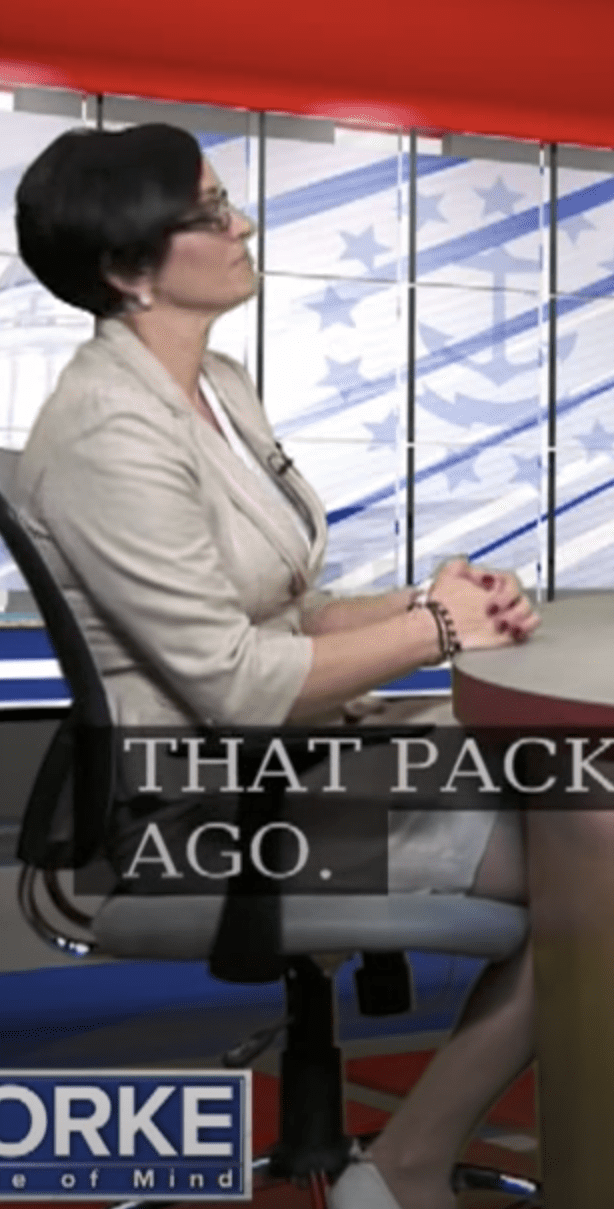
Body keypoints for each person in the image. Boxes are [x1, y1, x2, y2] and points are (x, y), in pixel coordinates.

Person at [11, 123, 540, 1209]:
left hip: (284, 768)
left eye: (226, 200)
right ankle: (404, 1169)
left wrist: (433, 600)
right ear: (124, 268)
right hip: (203, 807)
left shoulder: (218, 385)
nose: (241, 222)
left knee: (594, 798)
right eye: (207, 214)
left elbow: (288, 608)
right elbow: (238, 684)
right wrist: (437, 634)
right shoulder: (109, 431)